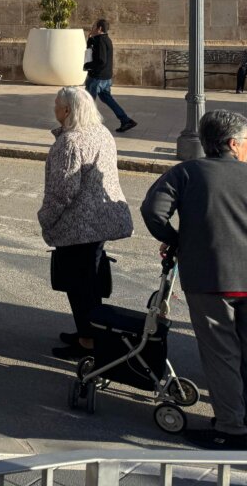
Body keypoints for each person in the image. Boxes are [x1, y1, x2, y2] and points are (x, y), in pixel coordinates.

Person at [142, 109, 247, 450]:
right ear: (233, 144)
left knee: (222, 355)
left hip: (209, 277)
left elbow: (153, 211)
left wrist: (176, 239)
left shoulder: (186, 173)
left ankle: (232, 426)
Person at [39, 85, 134, 361]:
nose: (54, 109)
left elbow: (62, 190)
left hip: (78, 225)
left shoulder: (70, 142)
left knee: (78, 285)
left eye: (57, 105)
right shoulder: (101, 132)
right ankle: (89, 332)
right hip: (100, 221)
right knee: (89, 282)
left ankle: (88, 341)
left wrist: (46, 219)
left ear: (67, 111)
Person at [84, 19, 137, 133]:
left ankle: (87, 124)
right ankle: (125, 120)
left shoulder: (100, 41)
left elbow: (101, 60)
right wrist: (90, 39)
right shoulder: (105, 39)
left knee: (88, 100)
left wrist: (89, 65)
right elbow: (90, 51)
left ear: (99, 29)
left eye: (94, 26)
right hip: (105, 77)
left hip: (97, 78)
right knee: (107, 99)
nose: (92, 28)